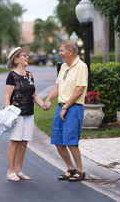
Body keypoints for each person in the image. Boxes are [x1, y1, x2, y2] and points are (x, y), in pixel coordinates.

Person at [43, 40, 88, 182]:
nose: (60, 53)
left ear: (71, 52)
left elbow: (79, 90)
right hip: (61, 107)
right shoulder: (63, 66)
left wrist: (65, 107)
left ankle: (80, 171)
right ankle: (70, 168)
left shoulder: (81, 66)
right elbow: (57, 86)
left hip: (73, 108)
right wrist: (49, 99)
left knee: (71, 141)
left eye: (62, 50)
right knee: (58, 140)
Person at [4, 46, 44, 182]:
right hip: (17, 114)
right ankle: (10, 171)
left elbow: (34, 95)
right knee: (15, 141)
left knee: (24, 142)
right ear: (16, 60)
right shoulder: (12, 75)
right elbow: (6, 97)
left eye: (26, 55)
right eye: (23, 55)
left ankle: (18, 170)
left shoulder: (29, 75)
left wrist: (43, 104)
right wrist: (8, 114)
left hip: (29, 113)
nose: (26, 57)